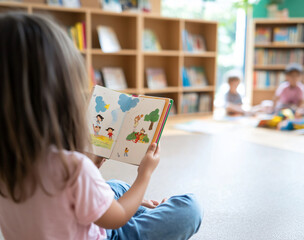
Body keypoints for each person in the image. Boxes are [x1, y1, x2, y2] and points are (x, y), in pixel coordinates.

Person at [0, 13, 202, 240]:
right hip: (107, 232)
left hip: (78, 220)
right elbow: (117, 218)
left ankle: (129, 204)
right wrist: (144, 174)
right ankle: (138, 209)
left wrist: (91, 168)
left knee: (116, 185)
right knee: (189, 208)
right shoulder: (74, 170)